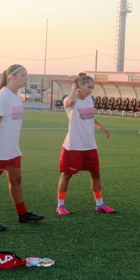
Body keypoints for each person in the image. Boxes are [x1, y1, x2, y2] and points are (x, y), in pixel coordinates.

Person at [0, 64, 44, 231]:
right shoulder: (3, 96)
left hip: (13, 148)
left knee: (16, 181)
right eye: (23, 75)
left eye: (26, 75)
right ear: (11, 77)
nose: (26, 78)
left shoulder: (16, 96)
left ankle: (22, 214)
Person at [56, 73, 115, 215]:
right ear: (80, 85)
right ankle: (60, 205)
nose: (90, 90)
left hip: (90, 145)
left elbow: (90, 118)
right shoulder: (69, 100)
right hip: (74, 146)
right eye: (88, 87)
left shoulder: (90, 100)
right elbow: (70, 103)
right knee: (67, 175)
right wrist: (73, 89)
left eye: (92, 88)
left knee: (95, 174)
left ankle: (100, 205)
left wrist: (101, 127)